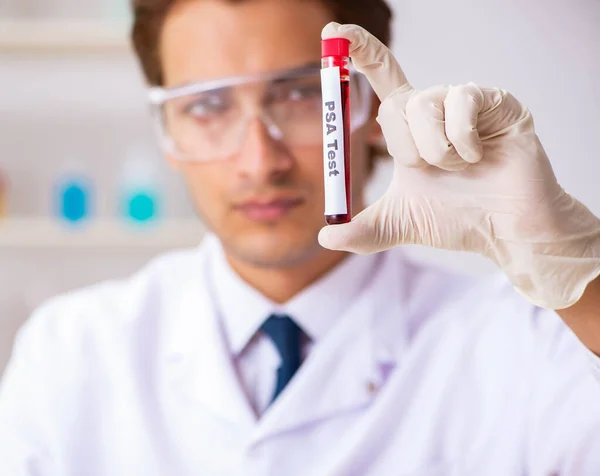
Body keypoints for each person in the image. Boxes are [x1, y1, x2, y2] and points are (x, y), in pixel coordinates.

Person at [1, 0, 600, 474]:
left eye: (301, 95)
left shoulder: (526, 344)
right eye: (206, 106)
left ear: (369, 105)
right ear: (167, 131)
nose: (260, 162)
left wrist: (579, 273)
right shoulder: (72, 351)